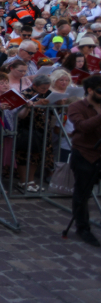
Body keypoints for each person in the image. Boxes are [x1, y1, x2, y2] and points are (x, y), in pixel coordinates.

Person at [65, 74, 101, 247]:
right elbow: (82, 127)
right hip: (85, 154)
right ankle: (82, 227)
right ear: (90, 90)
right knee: (82, 193)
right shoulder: (76, 106)